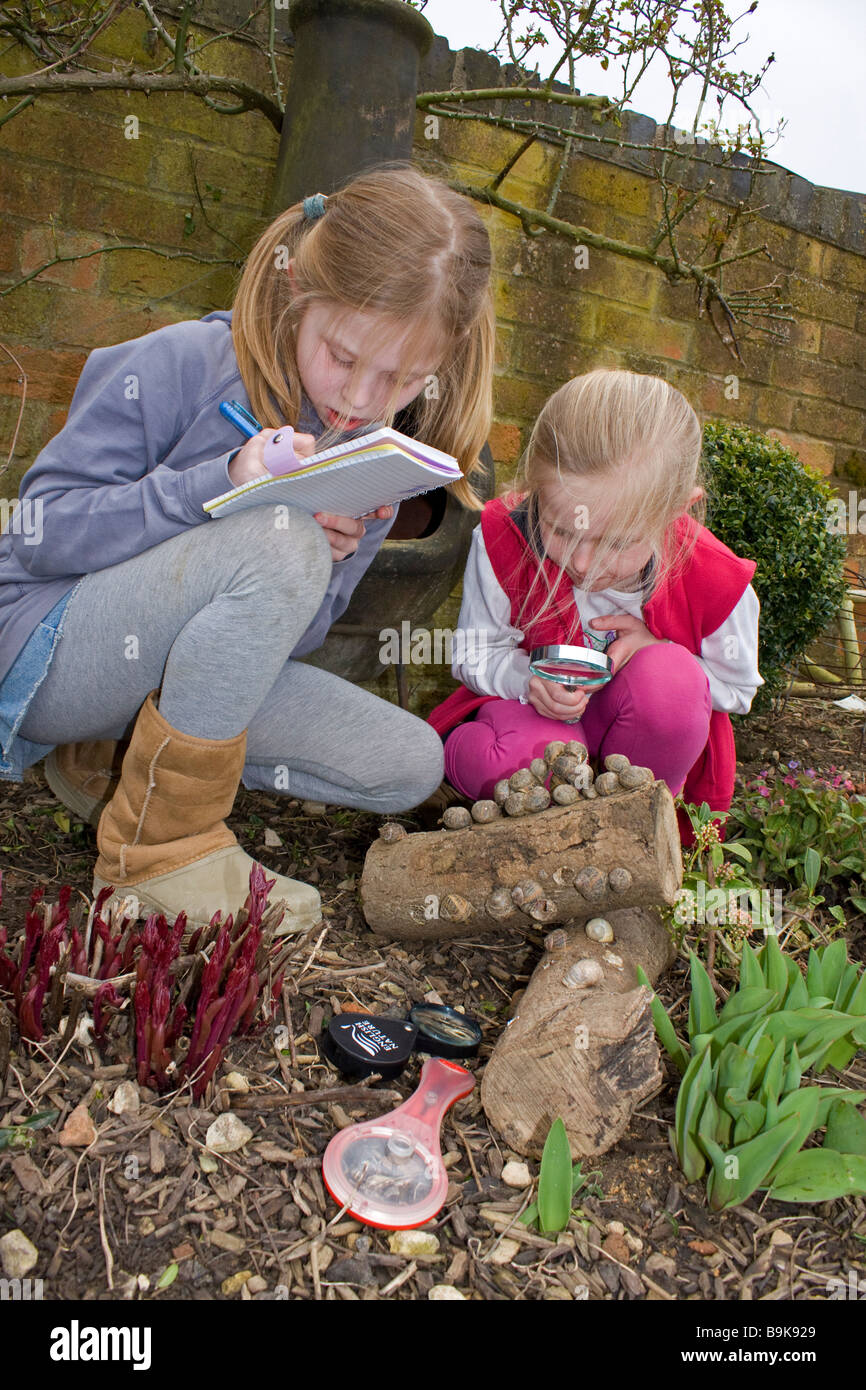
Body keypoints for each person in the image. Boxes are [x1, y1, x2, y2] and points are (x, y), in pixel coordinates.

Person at [0, 164, 495, 927]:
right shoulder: (182, 364)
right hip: (43, 646)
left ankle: (110, 760)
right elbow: (43, 531)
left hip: (156, 680)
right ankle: (159, 857)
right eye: (342, 354)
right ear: (297, 286)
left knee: (408, 763)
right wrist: (226, 487)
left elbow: (282, 645)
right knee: (278, 539)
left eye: (399, 378)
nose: (360, 398)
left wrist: (323, 563)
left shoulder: (373, 461)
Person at [428, 369, 763, 847]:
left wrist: (661, 647)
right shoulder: (503, 536)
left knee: (670, 679)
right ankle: (469, 775)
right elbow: (474, 654)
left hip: (638, 739)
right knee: (530, 759)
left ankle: (631, 834)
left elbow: (738, 688)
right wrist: (528, 680)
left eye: (618, 542)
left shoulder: (716, 579)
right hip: (533, 723)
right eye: (561, 530)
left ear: (677, 511)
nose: (583, 564)